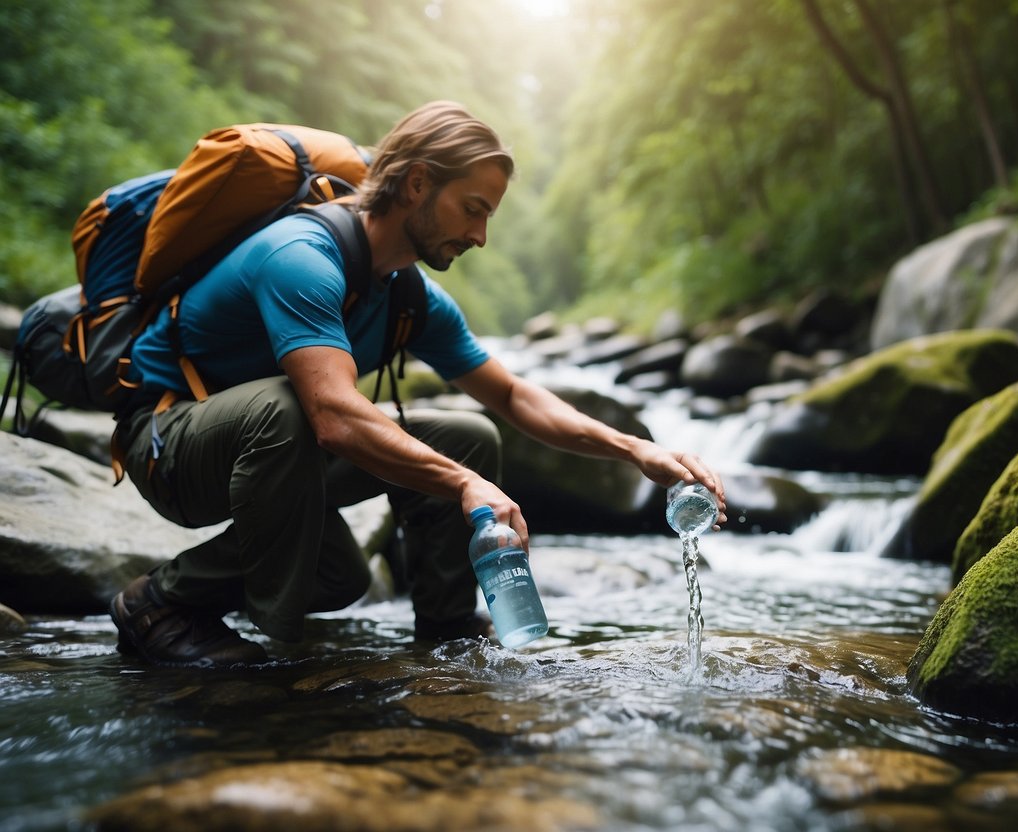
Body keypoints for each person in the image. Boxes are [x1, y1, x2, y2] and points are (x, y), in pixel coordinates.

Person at [108, 101, 726, 667]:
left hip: (278, 455)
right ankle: (160, 603)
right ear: (418, 183)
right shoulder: (299, 255)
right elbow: (332, 415)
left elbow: (512, 395)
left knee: (445, 461)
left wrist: (635, 449)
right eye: (474, 209)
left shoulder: (409, 297)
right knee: (291, 409)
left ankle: (446, 627)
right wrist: (464, 485)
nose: (480, 236)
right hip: (171, 444)